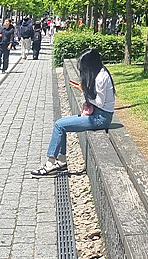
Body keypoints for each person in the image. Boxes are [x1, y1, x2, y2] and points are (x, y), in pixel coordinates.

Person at [32, 48, 115, 177]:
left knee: (59, 125)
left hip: (101, 118)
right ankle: (61, 160)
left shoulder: (101, 78)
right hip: (98, 115)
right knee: (61, 125)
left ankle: (50, 164)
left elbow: (100, 102)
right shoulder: (101, 73)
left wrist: (84, 91)